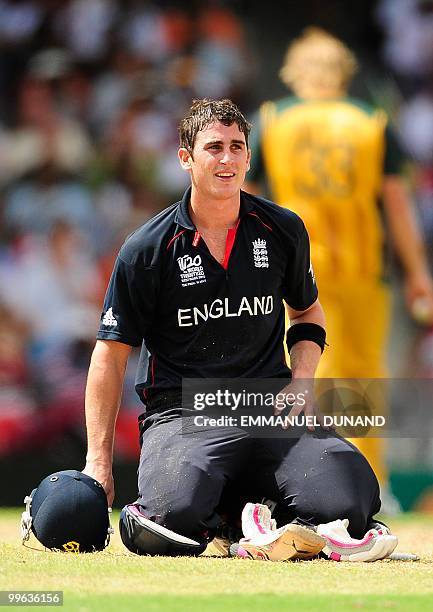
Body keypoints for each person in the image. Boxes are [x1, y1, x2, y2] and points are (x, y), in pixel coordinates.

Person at [82, 98, 386, 560]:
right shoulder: (146, 248)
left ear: (248, 156)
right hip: (184, 415)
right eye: (213, 148)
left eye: (236, 147)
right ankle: (231, 514)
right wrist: (99, 462)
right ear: (186, 158)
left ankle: (256, 519)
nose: (226, 159)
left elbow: (307, 314)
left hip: (271, 408)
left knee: (350, 498)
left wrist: (303, 383)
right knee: (170, 522)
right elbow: (110, 355)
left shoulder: (283, 229)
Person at [244, 28, 433, 513]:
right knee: (363, 376)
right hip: (361, 270)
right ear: (345, 73)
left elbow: (248, 201)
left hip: (294, 271)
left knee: (300, 373)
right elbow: (397, 206)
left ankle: (299, 477)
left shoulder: (272, 120)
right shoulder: (371, 122)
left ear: (295, 72)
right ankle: (370, 483)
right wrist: (417, 272)